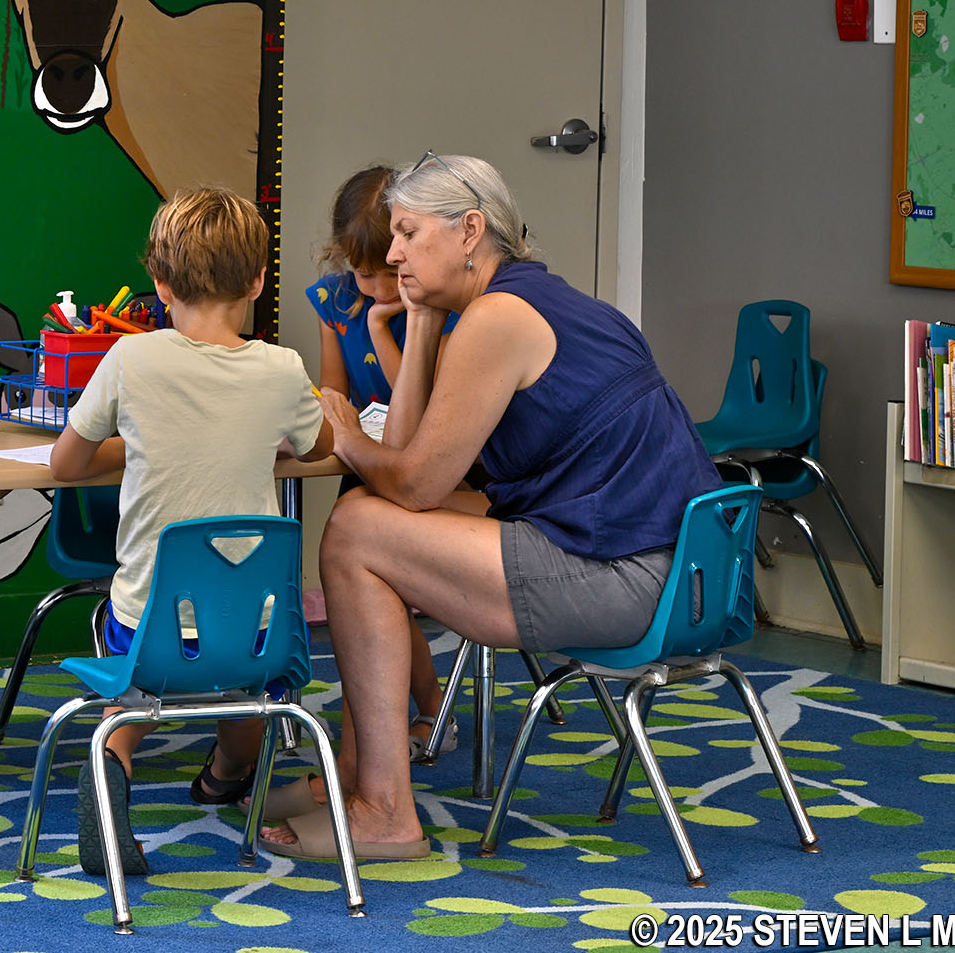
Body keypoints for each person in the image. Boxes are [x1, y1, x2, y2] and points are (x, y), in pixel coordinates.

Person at [261, 152, 720, 861]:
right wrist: (419, 321)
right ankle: (351, 778)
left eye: (409, 233)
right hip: (685, 571)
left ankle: (384, 811)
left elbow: (414, 484)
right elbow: (410, 467)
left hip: (632, 579)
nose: (393, 253)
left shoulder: (498, 318)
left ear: (470, 230)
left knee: (354, 529)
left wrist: (347, 439)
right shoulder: (547, 301)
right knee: (373, 518)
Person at [51, 186, 333, 876]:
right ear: (259, 282)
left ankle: (110, 767)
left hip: (148, 626)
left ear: (159, 283)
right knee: (250, 695)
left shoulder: (130, 359)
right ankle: (227, 773)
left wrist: (142, 441)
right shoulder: (282, 369)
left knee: (128, 697)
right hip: (253, 633)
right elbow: (320, 445)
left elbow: (66, 465)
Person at [307, 166, 458, 766]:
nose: (375, 287)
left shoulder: (432, 302)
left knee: (385, 586)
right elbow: (333, 390)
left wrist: (382, 330)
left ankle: (429, 707)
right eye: (363, 273)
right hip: (364, 458)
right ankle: (406, 714)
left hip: (426, 461)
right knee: (368, 580)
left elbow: (420, 406)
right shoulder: (333, 300)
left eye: (387, 273)